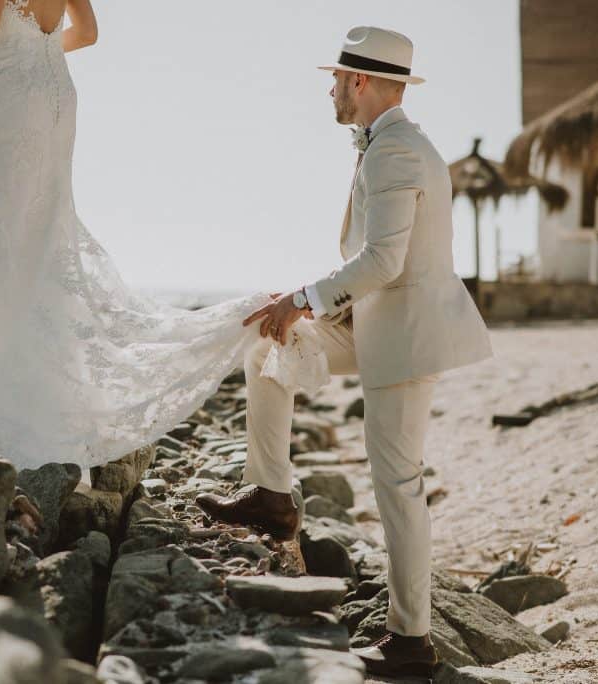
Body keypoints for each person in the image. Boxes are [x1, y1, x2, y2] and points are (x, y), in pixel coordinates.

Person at [195, 26, 493, 679]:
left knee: (398, 486)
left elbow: (384, 261)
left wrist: (303, 296)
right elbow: (381, 265)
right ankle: (273, 495)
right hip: (371, 321)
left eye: (336, 78)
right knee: (269, 342)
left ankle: (410, 641)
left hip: (406, 337)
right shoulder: (386, 145)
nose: (330, 89)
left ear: (359, 82)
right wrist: (298, 307)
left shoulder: (397, 153)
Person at [0, 0, 278, 471]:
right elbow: (85, 33)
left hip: (12, 94)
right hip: (54, 92)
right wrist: (33, 48)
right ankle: (38, 389)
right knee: (40, 236)